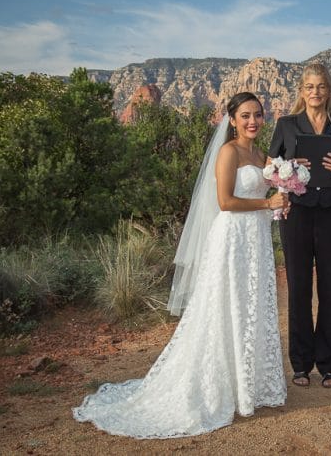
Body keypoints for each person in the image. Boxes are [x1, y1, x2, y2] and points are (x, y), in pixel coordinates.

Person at [73, 92, 288, 438]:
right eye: (246, 115)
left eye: (258, 115)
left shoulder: (260, 154)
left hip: (256, 240)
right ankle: (218, 387)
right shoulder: (228, 152)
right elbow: (226, 201)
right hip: (233, 238)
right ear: (232, 120)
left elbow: (270, 189)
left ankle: (248, 385)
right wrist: (267, 204)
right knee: (225, 307)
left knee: (250, 307)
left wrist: (285, 192)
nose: (253, 121)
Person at [268, 62, 331, 389]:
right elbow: (270, 169)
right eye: (309, 86)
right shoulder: (286, 124)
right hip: (297, 213)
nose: (315, 92)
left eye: (321, 86)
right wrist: (288, 168)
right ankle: (300, 364)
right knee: (298, 288)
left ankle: (329, 364)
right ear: (301, 90)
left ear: (329, 90)